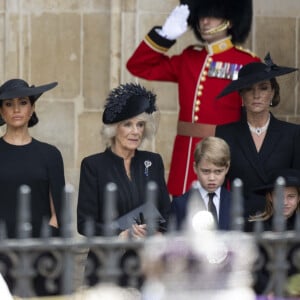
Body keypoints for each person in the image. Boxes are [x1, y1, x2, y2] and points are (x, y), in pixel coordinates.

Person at [126, 0, 260, 198]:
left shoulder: (246, 62)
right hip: (186, 159)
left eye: (212, 15)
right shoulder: (190, 58)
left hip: (222, 157)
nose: (204, 21)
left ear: (230, 21)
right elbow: (138, 66)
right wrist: (164, 36)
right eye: (201, 15)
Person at [77, 83, 171, 285]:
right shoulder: (93, 165)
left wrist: (157, 232)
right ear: (113, 128)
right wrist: (121, 235)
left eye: (140, 125)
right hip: (106, 265)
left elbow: (167, 212)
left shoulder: (152, 162)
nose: (135, 131)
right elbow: (85, 224)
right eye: (128, 124)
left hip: (147, 265)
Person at [0, 78, 65, 296]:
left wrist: (45, 249)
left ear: (32, 108)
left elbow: (58, 212)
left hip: (42, 253)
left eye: (23, 102)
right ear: (1, 111)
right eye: (9, 104)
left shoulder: (50, 155)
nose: (16, 109)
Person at [215, 53, 300, 219]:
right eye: (249, 89)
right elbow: (220, 184)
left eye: (263, 87)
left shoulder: (292, 133)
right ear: (241, 94)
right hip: (240, 220)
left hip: (281, 222)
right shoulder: (225, 133)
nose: (256, 95)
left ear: (273, 92)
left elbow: (298, 185)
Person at [246, 169, 300, 296]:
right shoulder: (255, 227)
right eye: (279, 196)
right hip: (266, 293)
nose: (285, 202)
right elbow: (252, 267)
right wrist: (269, 291)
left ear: (299, 198)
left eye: (291, 196)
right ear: (270, 197)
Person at [171, 136, 231, 231]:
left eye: (218, 171)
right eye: (206, 171)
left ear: (227, 168)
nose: (212, 178)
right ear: (195, 167)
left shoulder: (235, 201)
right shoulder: (181, 204)